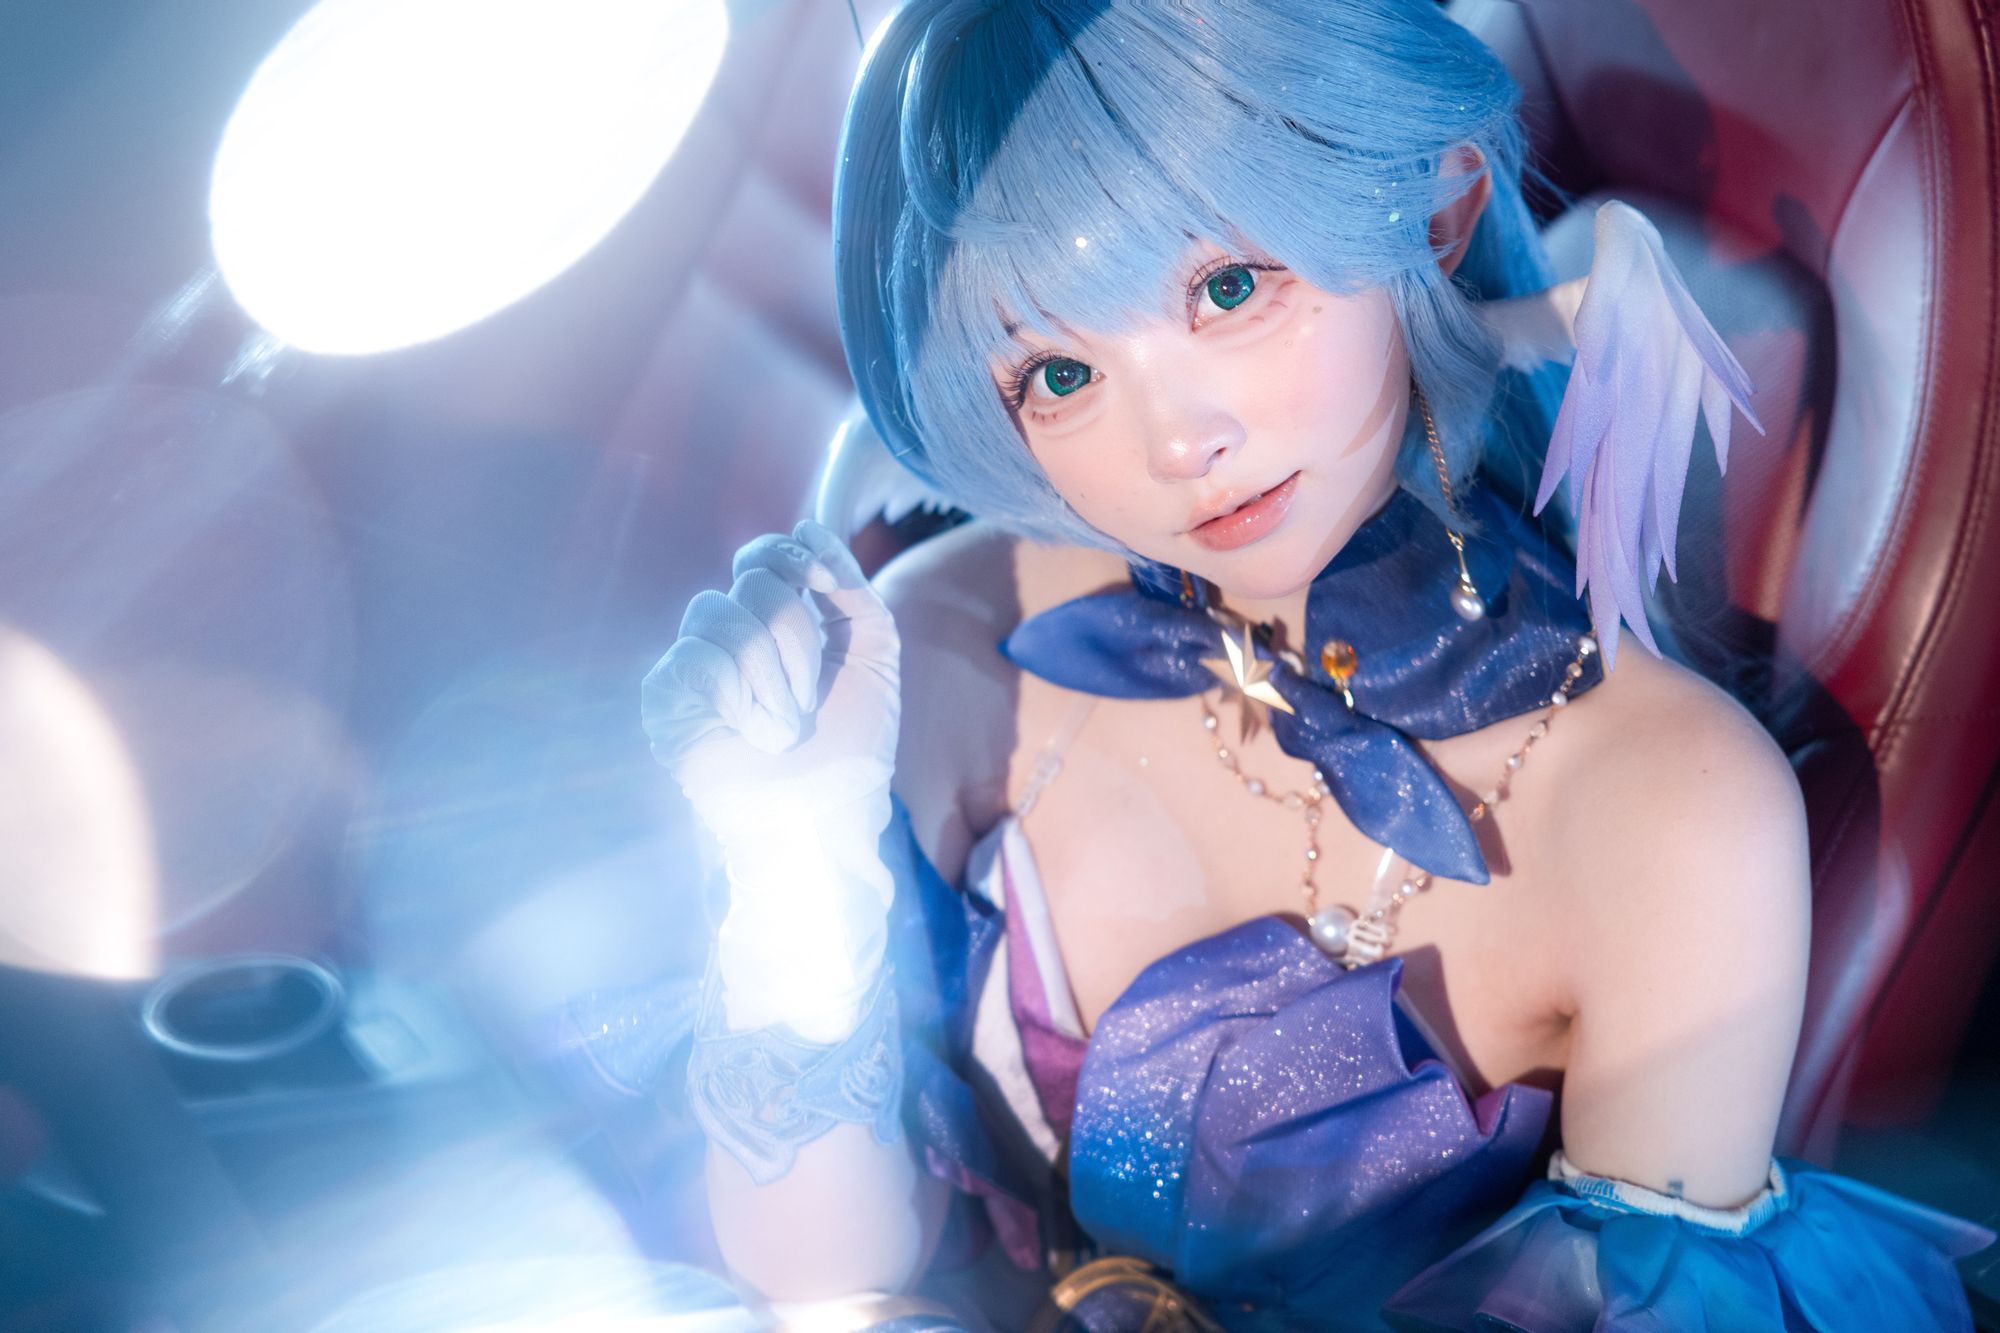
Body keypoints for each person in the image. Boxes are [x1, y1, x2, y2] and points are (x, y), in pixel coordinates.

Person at [637, 2, 1994, 1327]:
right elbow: (820, 1275)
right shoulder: (956, 627)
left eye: (1228, 289)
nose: (1177, 443)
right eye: (1056, 375)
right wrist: (792, 875)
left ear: (1437, 213)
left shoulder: (1668, 810)